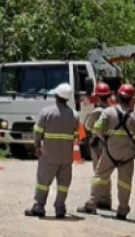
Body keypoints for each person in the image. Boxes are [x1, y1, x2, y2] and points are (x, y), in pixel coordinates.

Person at [78, 83, 135, 220]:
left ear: (117, 96)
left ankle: (91, 205)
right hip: (128, 155)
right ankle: (122, 210)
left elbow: (97, 128)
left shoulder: (108, 112)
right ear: (131, 99)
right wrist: (133, 145)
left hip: (110, 152)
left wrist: (104, 138)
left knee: (100, 177)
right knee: (125, 183)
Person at [25, 83, 79, 219]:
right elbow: (76, 136)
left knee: (43, 182)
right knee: (63, 184)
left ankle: (39, 206)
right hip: (66, 156)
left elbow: (38, 133)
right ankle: (60, 209)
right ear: (67, 99)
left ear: (56, 96)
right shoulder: (74, 115)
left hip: (48, 155)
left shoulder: (46, 112)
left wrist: (37, 146)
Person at [83, 82, 114, 210]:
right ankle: (106, 198)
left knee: (98, 172)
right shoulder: (112, 111)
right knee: (106, 173)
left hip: (98, 145)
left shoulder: (97, 112)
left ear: (98, 96)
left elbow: (87, 126)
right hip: (110, 144)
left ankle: (98, 200)